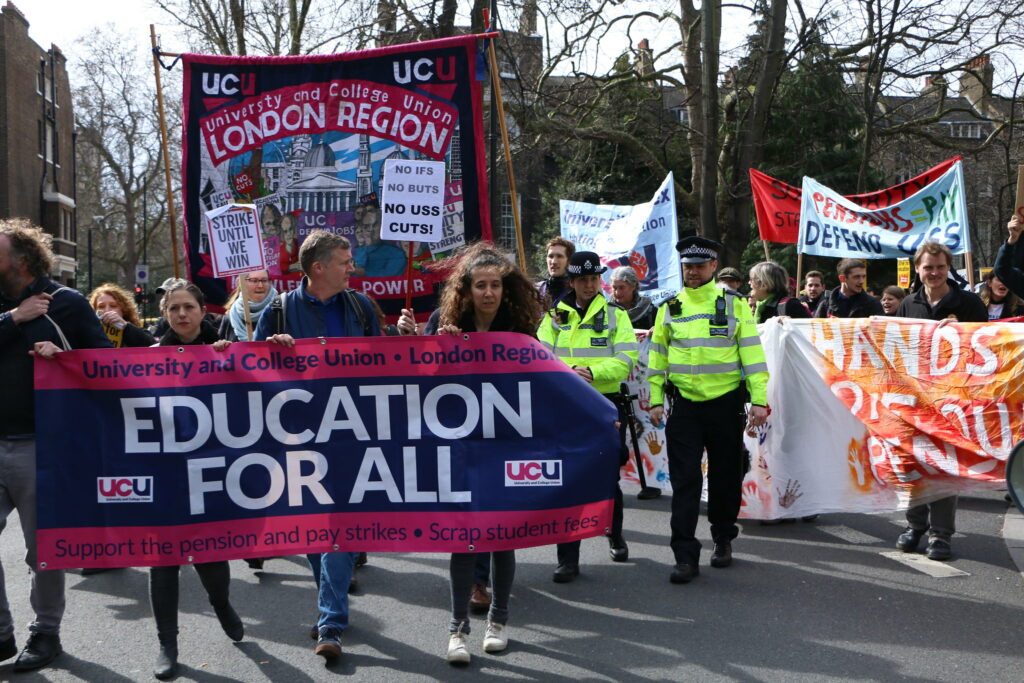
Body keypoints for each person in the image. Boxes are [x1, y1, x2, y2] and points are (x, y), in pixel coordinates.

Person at [400, 242, 544, 664]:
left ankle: (498, 620)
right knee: (463, 537)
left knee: (503, 537)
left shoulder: (520, 333)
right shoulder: (440, 324)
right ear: (465, 290)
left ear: (506, 289)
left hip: (504, 447)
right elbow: (419, 381)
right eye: (480, 285)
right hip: (459, 448)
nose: (488, 293)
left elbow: (541, 383)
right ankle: (457, 628)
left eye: (495, 285)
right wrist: (421, 344)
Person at [253, 230, 380, 661]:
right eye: (345, 262)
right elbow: (251, 369)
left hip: (351, 433)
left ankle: (331, 622)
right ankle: (331, 594)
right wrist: (272, 350)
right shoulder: (279, 310)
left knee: (338, 527)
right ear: (318, 268)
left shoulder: (361, 307)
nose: (352, 268)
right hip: (299, 435)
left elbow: (384, 364)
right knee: (312, 527)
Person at [0, 220, 111, 671]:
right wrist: (13, 319)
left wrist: (63, 356)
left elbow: (104, 361)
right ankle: (1, 634)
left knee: (43, 550)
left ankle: (45, 633)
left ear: (21, 260)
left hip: (41, 446)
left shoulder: (66, 304)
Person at [647, 236, 769, 584]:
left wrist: (758, 400)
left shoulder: (734, 305)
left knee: (725, 476)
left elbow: (753, 357)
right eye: (688, 266)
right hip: (684, 406)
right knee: (685, 481)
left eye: (700, 266)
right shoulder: (669, 307)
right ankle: (684, 555)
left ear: (713, 266)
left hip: (725, 404)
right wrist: (656, 399)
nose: (693, 272)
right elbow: (656, 359)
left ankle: (723, 537)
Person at [149, 281, 243, 679]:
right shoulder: (148, 357)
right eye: (174, 309)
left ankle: (220, 603)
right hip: (165, 469)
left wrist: (236, 361)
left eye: (189, 307)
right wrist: (54, 356)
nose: (182, 314)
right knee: (162, 560)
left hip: (211, 470)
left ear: (204, 312)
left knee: (209, 554)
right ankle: (167, 644)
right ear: (165, 314)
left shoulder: (230, 348)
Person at [537, 251, 638, 583]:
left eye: (594, 279)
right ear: (572, 282)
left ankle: (615, 534)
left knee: (608, 475)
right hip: (565, 405)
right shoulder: (554, 315)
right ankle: (568, 558)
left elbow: (625, 359)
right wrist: (568, 374)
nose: (589, 285)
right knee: (567, 480)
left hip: (604, 403)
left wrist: (592, 372)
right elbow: (538, 355)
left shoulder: (615, 314)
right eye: (583, 280)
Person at [894, 241, 986, 562]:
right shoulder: (908, 304)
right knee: (914, 463)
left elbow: (987, 349)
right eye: (928, 267)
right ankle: (915, 526)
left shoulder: (969, 303)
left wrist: (966, 333)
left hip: (953, 399)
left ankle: (941, 533)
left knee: (943, 465)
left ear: (950, 269)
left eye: (940, 267)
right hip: (915, 399)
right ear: (918, 270)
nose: (934, 273)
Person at [217, 270, 278, 342]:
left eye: (264, 280)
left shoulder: (281, 311)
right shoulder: (230, 317)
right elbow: (218, 349)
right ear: (242, 283)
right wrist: (221, 345)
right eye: (254, 281)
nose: (260, 285)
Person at [88, 283, 156, 347]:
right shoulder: (89, 332)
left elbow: (151, 346)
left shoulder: (132, 330)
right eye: (101, 307)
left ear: (123, 310)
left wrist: (125, 326)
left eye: (113, 306)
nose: (107, 310)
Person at [814, 259, 884, 318]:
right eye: (857, 277)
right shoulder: (826, 305)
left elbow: (879, 332)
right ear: (843, 278)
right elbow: (815, 331)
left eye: (863, 276)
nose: (862, 281)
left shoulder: (873, 304)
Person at [747, 262, 811, 323]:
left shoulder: (790, 305)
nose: (749, 282)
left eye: (751, 279)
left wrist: (791, 323)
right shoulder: (760, 307)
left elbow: (811, 330)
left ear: (764, 285)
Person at [610, 265, 657, 329]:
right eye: (614, 288)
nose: (617, 292)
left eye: (622, 288)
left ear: (633, 286)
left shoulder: (651, 311)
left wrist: (657, 330)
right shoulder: (606, 312)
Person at [537, 236, 575, 305]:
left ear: (569, 261)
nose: (554, 262)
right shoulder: (536, 290)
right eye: (550, 256)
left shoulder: (576, 293)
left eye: (559, 256)